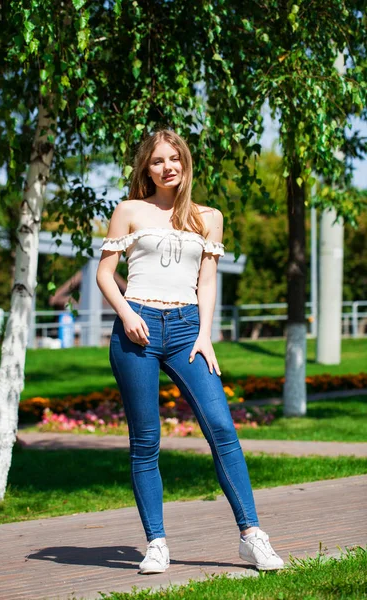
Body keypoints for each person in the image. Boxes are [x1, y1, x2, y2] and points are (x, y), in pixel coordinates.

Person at [96, 129, 284, 575]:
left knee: (222, 428)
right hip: (136, 329)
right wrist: (125, 314)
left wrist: (205, 334)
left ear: (186, 162)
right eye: (158, 160)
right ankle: (156, 543)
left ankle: (252, 536)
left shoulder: (208, 217)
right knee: (146, 441)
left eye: (175, 158)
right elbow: (106, 273)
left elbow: (208, 280)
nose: (168, 167)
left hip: (186, 331)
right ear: (147, 168)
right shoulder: (129, 211)